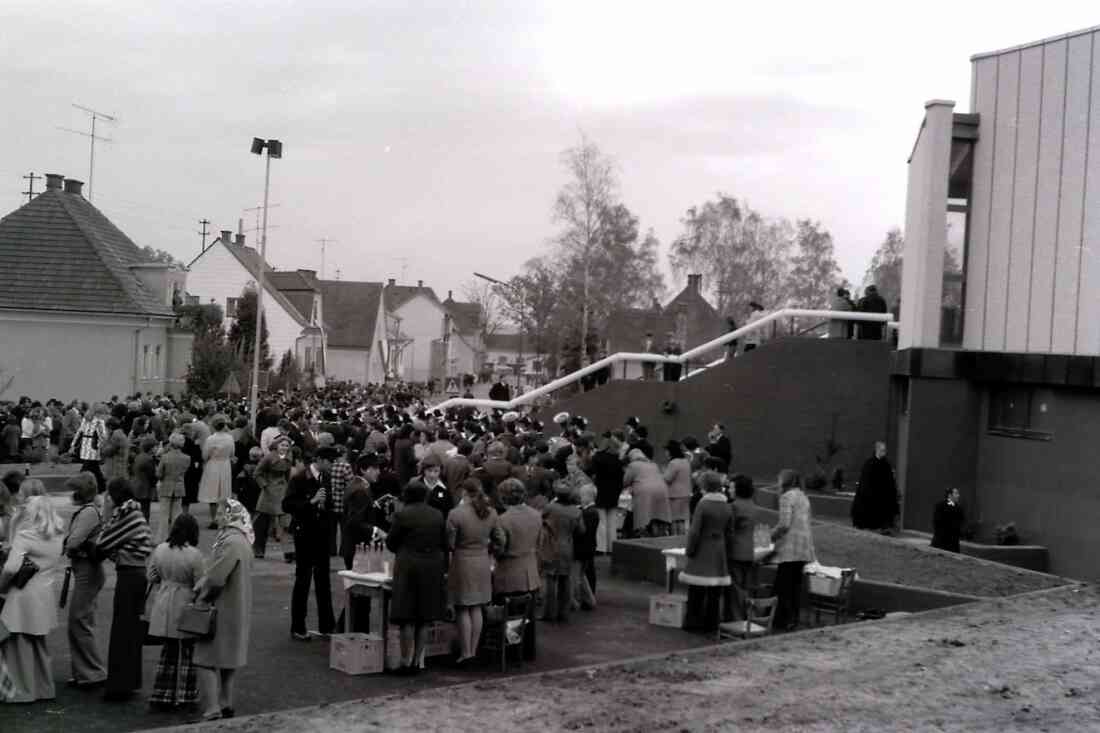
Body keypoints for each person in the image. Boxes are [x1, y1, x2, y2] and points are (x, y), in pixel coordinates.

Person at [192, 499, 254, 722]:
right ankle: (226, 701)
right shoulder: (244, 539)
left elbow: (217, 578)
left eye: (220, 513)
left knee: (204, 658)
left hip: (222, 608)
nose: (217, 517)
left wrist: (201, 594)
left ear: (230, 515)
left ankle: (212, 707)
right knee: (229, 659)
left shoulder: (229, 542)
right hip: (238, 606)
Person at [0, 495, 64, 703]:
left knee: (18, 644)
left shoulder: (25, 536)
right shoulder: (58, 535)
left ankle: (23, 691)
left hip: (22, 593)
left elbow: (10, 569)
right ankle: (44, 688)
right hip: (44, 593)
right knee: (38, 643)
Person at [96, 477, 154, 701]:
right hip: (135, 574)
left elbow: (103, 542)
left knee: (122, 630)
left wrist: (107, 512)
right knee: (129, 630)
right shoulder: (134, 514)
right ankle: (127, 682)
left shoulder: (126, 515)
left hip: (129, 575)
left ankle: (119, 686)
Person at [386, 480, 448, 674]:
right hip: (432, 566)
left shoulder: (403, 515)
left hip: (409, 566)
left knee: (407, 617)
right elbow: (443, 542)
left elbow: (391, 542)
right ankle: (416, 661)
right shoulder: (437, 515)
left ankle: (405, 661)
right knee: (424, 616)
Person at [147, 513, 205, 711]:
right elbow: (199, 584)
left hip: (164, 600)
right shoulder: (195, 554)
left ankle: (162, 694)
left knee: (169, 651)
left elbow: (151, 575)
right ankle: (185, 696)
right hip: (185, 602)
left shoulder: (161, 549)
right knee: (187, 653)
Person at [283, 446, 337, 640]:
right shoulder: (299, 478)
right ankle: (298, 626)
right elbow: (287, 504)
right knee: (303, 579)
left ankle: (327, 625)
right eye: (330, 462)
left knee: (324, 580)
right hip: (304, 533)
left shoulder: (326, 478)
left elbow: (329, 506)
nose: (332, 467)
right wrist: (311, 502)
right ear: (320, 460)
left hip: (322, 533)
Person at [446, 478, 501, 665]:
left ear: (463, 493)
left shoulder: (456, 514)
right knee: (477, 606)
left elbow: (450, 543)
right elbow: (500, 539)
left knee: (463, 607)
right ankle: (474, 649)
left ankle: (466, 651)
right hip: (483, 561)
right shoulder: (491, 512)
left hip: (462, 562)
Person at [62, 472, 108, 690]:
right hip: (87, 569)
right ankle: (84, 672)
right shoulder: (90, 510)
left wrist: (68, 544)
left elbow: (73, 542)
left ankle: (92, 672)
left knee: (78, 621)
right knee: (81, 621)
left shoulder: (88, 512)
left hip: (87, 570)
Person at [679, 471, 734, 632]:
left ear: (704, 486)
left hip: (703, 548)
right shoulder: (726, 505)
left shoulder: (703, 504)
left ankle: (693, 622)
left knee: (696, 589)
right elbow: (730, 531)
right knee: (715, 592)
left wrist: (690, 550)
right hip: (719, 549)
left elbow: (695, 531)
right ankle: (712, 623)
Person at [770, 470, 815, 632]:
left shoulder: (786, 497)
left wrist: (770, 536)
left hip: (790, 548)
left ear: (785, 481)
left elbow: (784, 524)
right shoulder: (803, 497)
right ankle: (792, 619)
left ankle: (780, 620)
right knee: (795, 586)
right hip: (803, 548)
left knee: (782, 586)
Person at [540, 477, 582, 623]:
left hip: (551, 545)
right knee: (565, 580)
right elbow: (581, 530)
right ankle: (563, 613)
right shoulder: (576, 511)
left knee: (550, 580)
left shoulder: (550, 508)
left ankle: (548, 612)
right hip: (567, 547)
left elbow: (541, 519)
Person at [727, 474, 762, 621]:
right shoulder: (752, 505)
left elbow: (729, 530)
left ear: (738, 489)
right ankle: (747, 617)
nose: (729, 489)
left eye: (731, 487)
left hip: (735, 551)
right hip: (749, 551)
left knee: (735, 589)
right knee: (744, 587)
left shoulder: (734, 506)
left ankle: (737, 619)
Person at [253, 436, 292, 559]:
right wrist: (264, 485)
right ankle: (258, 549)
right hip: (268, 492)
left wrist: (288, 487)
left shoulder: (289, 458)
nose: (284, 448)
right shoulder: (269, 457)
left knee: (285, 523)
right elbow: (257, 473)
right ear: (276, 446)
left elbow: (287, 474)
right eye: (282, 445)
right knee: (261, 523)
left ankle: (288, 552)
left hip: (282, 490)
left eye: (286, 446)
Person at [623, 449, 672, 537]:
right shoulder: (653, 465)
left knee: (644, 518)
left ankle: (643, 536)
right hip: (661, 490)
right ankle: (659, 535)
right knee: (658, 516)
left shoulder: (633, 465)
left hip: (645, 492)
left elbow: (625, 481)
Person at [851, 441, 898, 532]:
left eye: (885, 450)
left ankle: (883, 527)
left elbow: (890, 482)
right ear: (877, 450)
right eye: (882, 450)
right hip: (871, 498)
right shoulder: (869, 464)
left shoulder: (886, 465)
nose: (884, 452)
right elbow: (865, 482)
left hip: (883, 498)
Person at [198, 415, 235, 530]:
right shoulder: (230, 438)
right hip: (225, 465)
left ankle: (214, 519)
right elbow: (232, 453)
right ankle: (223, 518)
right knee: (224, 491)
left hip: (213, 465)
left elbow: (204, 455)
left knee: (212, 493)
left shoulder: (211, 439)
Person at [589, 433, 623, 554]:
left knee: (601, 522)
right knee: (612, 522)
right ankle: (612, 548)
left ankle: (600, 547)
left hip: (601, 491)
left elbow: (591, 472)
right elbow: (621, 480)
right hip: (614, 493)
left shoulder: (598, 458)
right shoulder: (618, 460)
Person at [71, 404, 109, 493]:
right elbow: (103, 436)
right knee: (92, 468)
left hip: (86, 446)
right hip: (93, 447)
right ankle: (101, 487)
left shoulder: (85, 420)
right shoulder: (100, 421)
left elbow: (79, 433)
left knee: (91, 467)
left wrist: (73, 445)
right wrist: (104, 445)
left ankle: (98, 487)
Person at [575, 483, 599, 599]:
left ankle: (589, 597)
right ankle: (589, 596)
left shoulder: (590, 513)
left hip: (585, 547)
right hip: (589, 546)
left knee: (586, 572)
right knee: (587, 571)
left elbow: (583, 531)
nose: (580, 498)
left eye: (581, 495)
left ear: (588, 496)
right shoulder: (590, 511)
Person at [663, 440, 693, 535]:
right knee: (681, 520)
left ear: (671, 451)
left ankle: (674, 541)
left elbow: (667, 479)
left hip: (674, 496)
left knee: (673, 520)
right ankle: (682, 542)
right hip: (685, 494)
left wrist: (660, 475)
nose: (665, 453)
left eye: (667, 450)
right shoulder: (685, 462)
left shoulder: (674, 463)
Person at [931, 488, 965, 553]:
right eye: (956, 493)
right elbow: (937, 523)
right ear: (950, 495)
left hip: (953, 544)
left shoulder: (959, 508)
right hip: (940, 542)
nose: (958, 495)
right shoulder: (940, 505)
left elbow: (961, 523)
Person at [131, 436, 158, 520]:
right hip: (145, 488)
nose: (156, 448)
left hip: (136, 486)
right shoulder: (149, 459)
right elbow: (152, 476)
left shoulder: (139, 456)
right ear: (150, 448)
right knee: (145, 512)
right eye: (155, 447)